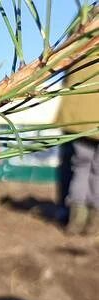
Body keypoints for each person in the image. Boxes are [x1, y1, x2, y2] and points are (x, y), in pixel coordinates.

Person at [55, 60, 99, 235]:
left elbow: (64, 62)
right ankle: (94, 224)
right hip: (84, 115)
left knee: (80, 167)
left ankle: (76, 220)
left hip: (80, 116)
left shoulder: (80, 33)